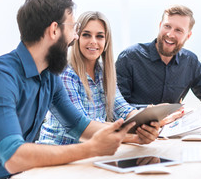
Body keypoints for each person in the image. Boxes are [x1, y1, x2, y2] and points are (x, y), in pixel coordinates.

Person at [0, 0, 159, 179]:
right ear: (54, 30)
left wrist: (131, 136)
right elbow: (14, 157)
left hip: (21, 176)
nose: (75, 37)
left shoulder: (49, 76)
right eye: (74, 28)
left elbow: (80, 126)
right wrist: (91, 148)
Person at [39, 11, 178, 145]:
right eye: (86, 35)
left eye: (100, 36)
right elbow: (84, 127)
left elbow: (123, 110)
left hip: (88, 152)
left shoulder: (104, 72)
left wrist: (149, 121)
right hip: (58, 151)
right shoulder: (65, 73)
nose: (93, 41)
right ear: (77, 38)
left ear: (106, 42)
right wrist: (134, 137)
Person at [115, 5, 201, 116]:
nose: (170, 34)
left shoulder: (190, 61)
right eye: (167, 26)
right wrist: (151, 109)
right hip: (135, 129)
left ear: (188, 36)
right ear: (160, 25)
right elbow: (116, 107)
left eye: (178, 30)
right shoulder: (129, 57)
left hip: (173, 130)